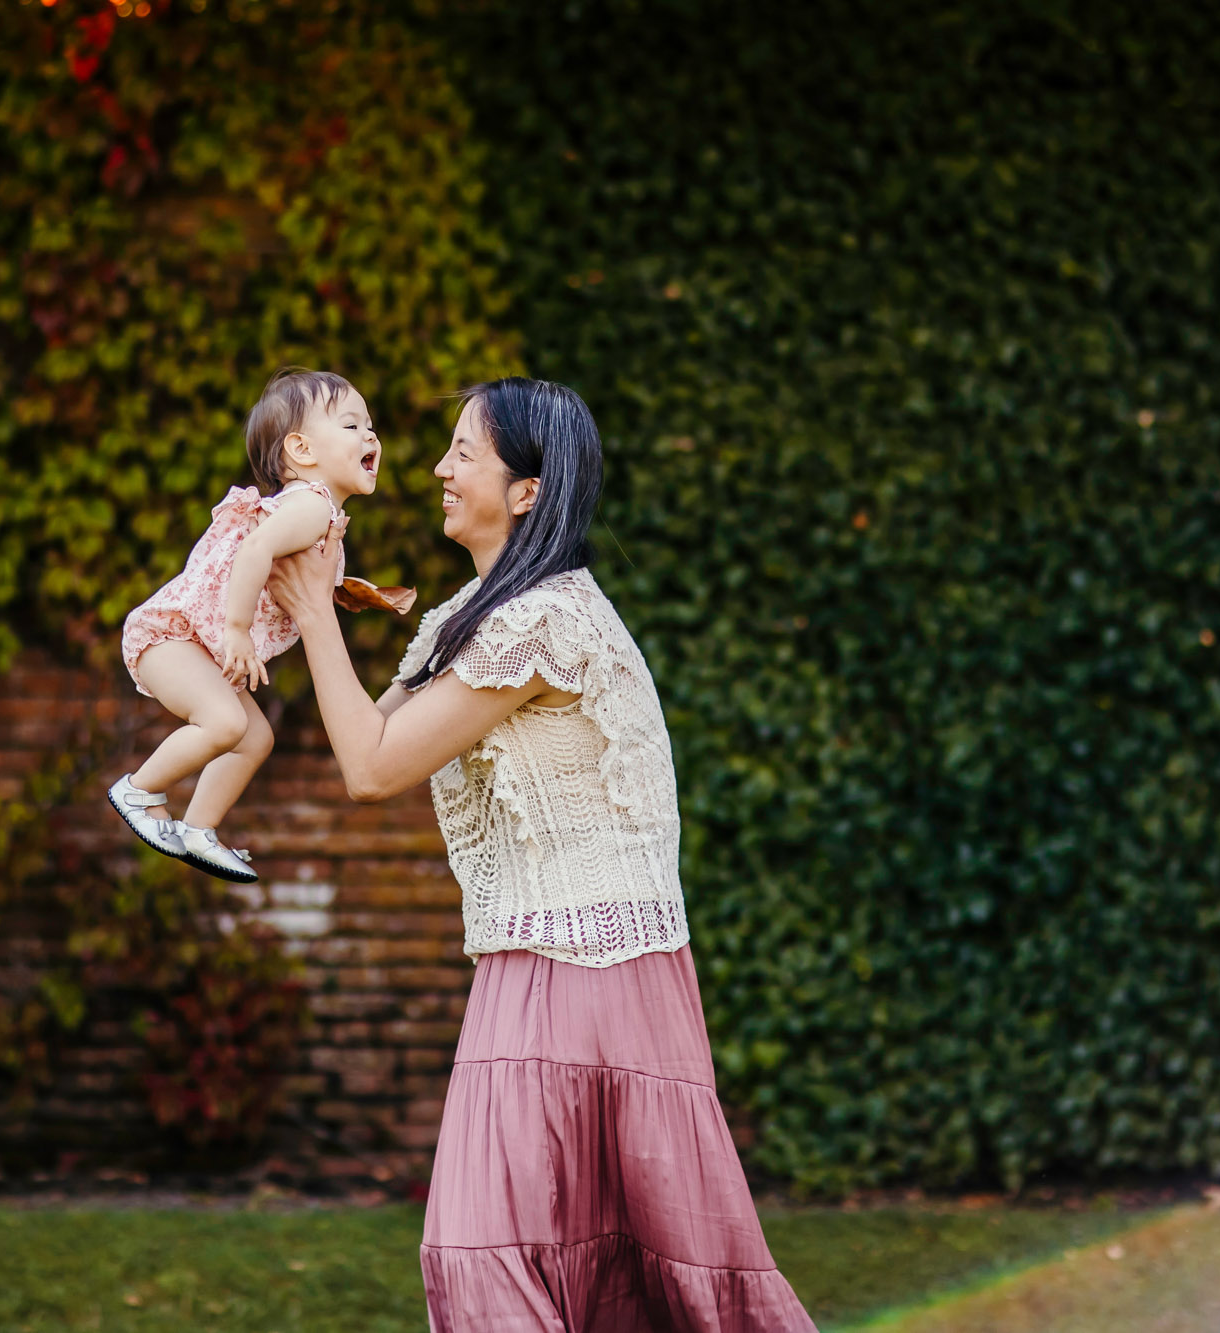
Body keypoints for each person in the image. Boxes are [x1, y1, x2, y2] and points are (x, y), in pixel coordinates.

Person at [267, 377, 819, 1331]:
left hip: (587, 974)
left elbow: (370, 767)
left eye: (463, 453)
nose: (437, 468)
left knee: (503, 1255)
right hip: (541, 964)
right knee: (575, 1267)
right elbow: (368, 732)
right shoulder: (470, 618)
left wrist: (316, 611)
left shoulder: (542, 624)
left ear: (527, 490)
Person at [108, 368, 383, 885]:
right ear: (301, 450)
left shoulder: (311, 513)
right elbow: (255, 551)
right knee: (227, 725)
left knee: (254, 738)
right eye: (351, 426)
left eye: (370, 426)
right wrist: (236, 629)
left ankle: (197, 829)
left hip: (192, 644)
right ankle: (138, 791)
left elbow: (288, 575)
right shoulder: (312, 506)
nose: (370, 436)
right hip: (175, 637)